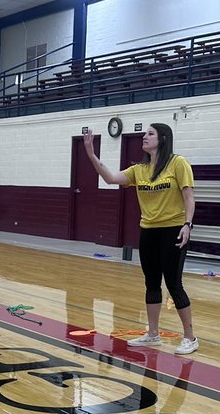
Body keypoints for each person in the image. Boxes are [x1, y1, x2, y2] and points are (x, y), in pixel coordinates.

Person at [81, 124, 199, 355]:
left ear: (163, 138)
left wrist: (188, 224)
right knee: (151, 283)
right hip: (148, 231)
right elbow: (110, 177)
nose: (144, 137)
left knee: (174, 285)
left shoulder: (178, 163)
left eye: (150, 133)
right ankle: (153, 334)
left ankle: (190, 337)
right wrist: (91, 154)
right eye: (145, 133)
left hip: (173, 229)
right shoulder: (140, 169)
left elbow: (189, 196)